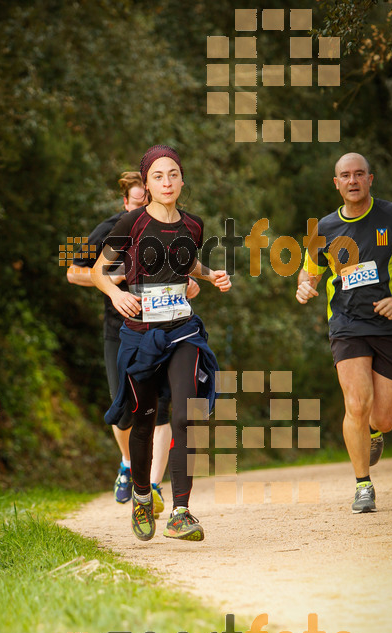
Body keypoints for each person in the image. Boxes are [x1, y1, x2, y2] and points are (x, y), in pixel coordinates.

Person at [91, 145, 231, 542]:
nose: (166, 182)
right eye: (158, 176)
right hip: (140, 335)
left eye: (173, 174)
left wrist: (210, 275)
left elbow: (186, 263)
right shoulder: (131, 224)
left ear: (182, 180)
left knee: (186, 415)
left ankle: (181, 512)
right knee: (144, 416)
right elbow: (101, 271)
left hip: (183, 330)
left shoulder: (194, 225)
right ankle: (140, 497)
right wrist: (116, 295)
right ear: (147, 183)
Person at [67, 172, 200, 514]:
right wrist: (117, 281)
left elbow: (182, 268)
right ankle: (128, 463)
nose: (145, 208)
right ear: (126, 203)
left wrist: (191, 281)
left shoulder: (176, 225)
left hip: (167, 329)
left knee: (162, 411)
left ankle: (153, 487)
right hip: (121, 330)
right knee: (123, 412)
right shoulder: (113, 227)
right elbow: (75, 271)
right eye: (138, 202)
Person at [296, 152, 392, 513]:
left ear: (370, 179)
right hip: (347, 325)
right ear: (337, 183)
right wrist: (304, 286)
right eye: (346, 175)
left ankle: (374, 434)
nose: (353, 180)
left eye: (360, 174)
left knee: (384, 417)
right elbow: (308, 272)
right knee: (357, 403)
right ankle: (363, 484)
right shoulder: (324, 228)